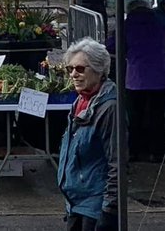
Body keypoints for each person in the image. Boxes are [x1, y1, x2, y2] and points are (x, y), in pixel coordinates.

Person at [56, 37, 118, 231]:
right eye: (70, 69)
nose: (74, 74)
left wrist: (109, 209)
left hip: (95, 205)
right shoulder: (81, 101)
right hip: (76, 202)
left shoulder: (109, 108)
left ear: (99, 71)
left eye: (81, 69)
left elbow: (116, 161)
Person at [108, 0, 165, 163]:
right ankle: (157, 153)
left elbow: (111, 47)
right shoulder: (160, 23)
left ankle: (133, 151)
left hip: (135, 77)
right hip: (159, 77)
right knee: (157, 115)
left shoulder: (125, 26)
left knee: (135, 116)